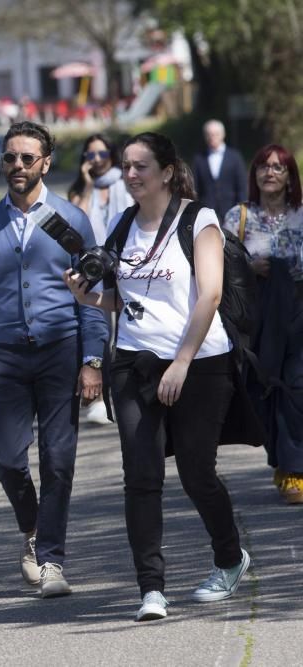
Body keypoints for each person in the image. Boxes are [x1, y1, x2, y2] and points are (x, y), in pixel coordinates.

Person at [64, 131, 252, 622]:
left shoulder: (199, 220)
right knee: (141, 476)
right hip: (131, 361)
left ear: (167, 172)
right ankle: (151, 589)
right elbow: (128, 301)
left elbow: (208, 295)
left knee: (196, 472)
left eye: (140, 166)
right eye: (125, 165)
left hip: (200, 362)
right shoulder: (124, 226)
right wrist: (91, 300)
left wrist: (183, 362)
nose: (129, 174)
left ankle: (230, 559)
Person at [0, 121, 108, 599]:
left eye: (26, 158)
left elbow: (92, 295)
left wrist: (93, 361)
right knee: (6, 457)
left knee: (58, 462)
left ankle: (52, 562)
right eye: (9, 158)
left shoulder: (70, 221)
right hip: (8, 358)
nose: (16, 166)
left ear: (45, 162)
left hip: (61, 352)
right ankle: (34, 528)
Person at [221, 144, 303, 504]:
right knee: (264, 389)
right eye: (263, 167)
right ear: (253, 175)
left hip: (299, 314)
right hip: (257, 319)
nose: (270, 173)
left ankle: (295, 470)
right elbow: (216, 265)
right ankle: (282, 460)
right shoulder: (238, 217)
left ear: (290, 176)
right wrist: (249, 269)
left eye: (278, 167)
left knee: (296, 390)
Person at [67, 134, 134, 426]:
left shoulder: (125, 182)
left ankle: (124, 393)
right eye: (90, 155)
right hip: (91, 264)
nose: (96, 160)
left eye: (101, 154)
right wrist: (88, 182)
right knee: (97, 331)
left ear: (111, 153)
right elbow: (76, 219)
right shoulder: (81, 188)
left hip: (123, 264)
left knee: (126, 329)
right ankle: (101, 394)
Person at [192, 119, 247, 216]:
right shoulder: (199, 159)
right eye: (209, 134)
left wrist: (241, 212)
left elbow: (242, 187)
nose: (212, 137)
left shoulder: (235, 157)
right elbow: (195, 188)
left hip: (231, 212)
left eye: (216, 134)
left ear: (223, 134)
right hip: (206, 213)